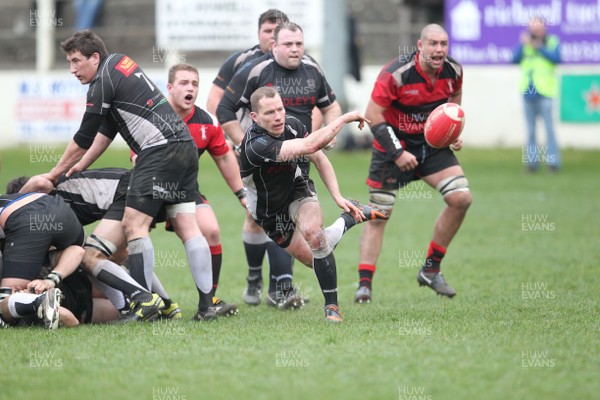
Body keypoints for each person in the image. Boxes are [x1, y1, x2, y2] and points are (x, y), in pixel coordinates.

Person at [40, 30, 214, 321]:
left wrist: (54, 173)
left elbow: (84, 135)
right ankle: (207, 307)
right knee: (188, 226)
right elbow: (107, 131)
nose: (72, 69)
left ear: (94, 57)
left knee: (134, 226)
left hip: (158, 152)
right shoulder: (120, 65)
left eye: (76, 61)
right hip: (185, 148)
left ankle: (146, 305)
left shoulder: (101, 82)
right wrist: (80, 165)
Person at [217, 22, 345, 307]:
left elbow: (331, 107)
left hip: (300, 149)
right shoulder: (256, 70)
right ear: (274, 45)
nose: (295, 49)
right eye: (288, 44)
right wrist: (244, 146)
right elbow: (223, 107)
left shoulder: (313, 70)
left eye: (299, 43)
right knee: (261, 217)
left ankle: (283, 288)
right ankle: (256, 279)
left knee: (306, 228)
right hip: (264, 155)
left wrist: (323, 133)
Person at [239, 87, 387, 323]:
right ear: (255, 117)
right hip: (269, 211)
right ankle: (346, 221)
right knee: (312, 258)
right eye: (269, 113)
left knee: (316, 237)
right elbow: (309, 146)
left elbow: (318, 157)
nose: (278, 117)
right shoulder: (255, 145)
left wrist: (338, 196)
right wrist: (346, 118)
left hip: (297, 188)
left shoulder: (293, 125)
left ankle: (332, 308)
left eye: (280, 109)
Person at [353, 24, 472, 303]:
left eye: (443, 44)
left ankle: (431, 269)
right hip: (392, 147)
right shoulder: (396, 74)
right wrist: (397, 153)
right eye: (433, 44)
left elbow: (454, 103)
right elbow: (372, 115)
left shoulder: (453, 71)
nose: (439, 50)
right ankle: (364, 286)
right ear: (420, 46)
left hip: (430, 146)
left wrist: (452, 132)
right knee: (379, 215)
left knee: (462, 198)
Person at [207, 9, 300, 308]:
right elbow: (217, 104)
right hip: (250, 148)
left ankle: (280, 285)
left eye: (278, 31)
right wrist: (238, 140)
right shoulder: (242, 62)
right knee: (255, 214)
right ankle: (255, 276)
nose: (273, 36)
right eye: (267, 31)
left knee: (283, 210)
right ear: (260, 33)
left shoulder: (298, 65)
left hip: (287, 147)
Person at [7, 170, 183, 320]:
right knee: (115, 255)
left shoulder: (43, 201)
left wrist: (19, 200)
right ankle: (166, 305)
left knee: (90, 256)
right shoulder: (58, 205)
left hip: (128, 192)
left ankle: (142, 301)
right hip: (142, 188)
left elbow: (40, 182)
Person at [142, 62, 246, 316]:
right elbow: (138, 158)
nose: (190, 88)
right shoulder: (152, 116)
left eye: (195, 84)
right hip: (148, 188)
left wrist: (242, 194)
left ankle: (208, 302)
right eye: (183, 83)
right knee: (130, 239)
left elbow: (223, 157)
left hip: (185, 190)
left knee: (211, 231)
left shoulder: (206, 122)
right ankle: (144, 301)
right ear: (169, 87)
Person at [0, 192, 86, 329]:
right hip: (60, 210)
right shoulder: (38, 255)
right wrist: (50, 281)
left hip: (27, 217)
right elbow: (77, 250)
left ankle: (39, 302)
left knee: (3, 301)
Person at [512, 16, 561, 172]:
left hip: (545, 93)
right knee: (530, 131)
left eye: (538, 28)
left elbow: (557, 58)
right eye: (533, 28)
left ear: (544, 28)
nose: (535, 31)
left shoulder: (551, 41)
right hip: (528, 92)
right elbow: (514, 59)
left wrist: (539, 47)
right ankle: (531, 163)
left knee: (549, 130)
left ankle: (553, 163)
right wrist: (523, 44)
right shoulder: (526, 44)